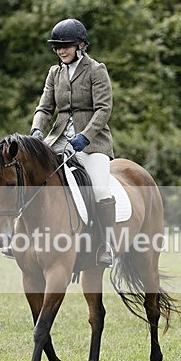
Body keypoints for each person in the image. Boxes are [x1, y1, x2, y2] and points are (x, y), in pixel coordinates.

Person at [31, 18, 115, 268]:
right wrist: (37, 130)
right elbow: (45, 108)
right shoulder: (54, 73)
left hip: (92, 142)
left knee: (100, 189)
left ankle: (106, 244)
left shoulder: (96, 69)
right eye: (57, 47)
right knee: (33, 177)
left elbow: (103, 108)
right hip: (57, 139)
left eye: (66, 46)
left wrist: (85, 136)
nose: (61, 51)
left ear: (81, 45)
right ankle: (24, 238)